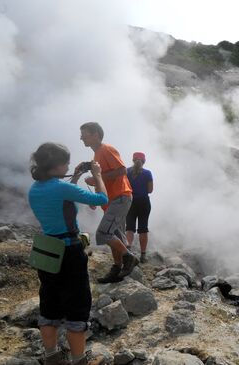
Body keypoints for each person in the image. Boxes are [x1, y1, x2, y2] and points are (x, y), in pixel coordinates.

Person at [28, 143, 109, 365]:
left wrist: (74, 177)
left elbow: (61, 198)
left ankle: (52, 355)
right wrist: (98, 175)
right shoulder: (60, 188)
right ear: (56, 165)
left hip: (46, 249)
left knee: (49, 302)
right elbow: (101, 199)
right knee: (77, 306)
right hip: (70, 251)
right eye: (66, 163)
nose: (68, 166)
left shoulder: (35, 188)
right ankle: (78, 359)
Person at [80, 122, 138, 283]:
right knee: (114, 235)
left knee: (103, 234)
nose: (81, 138)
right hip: (112, 200)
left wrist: (95, 178)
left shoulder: (106, 149)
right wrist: (96, 197)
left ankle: (129, 258)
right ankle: (117, 269)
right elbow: (102, 181)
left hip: (120, 197)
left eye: (84, 134)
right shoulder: (97, 154)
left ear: (96, 134)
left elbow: (121, 170)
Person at [125, 152, 153, 263]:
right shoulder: (147, 173)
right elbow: (150, 190)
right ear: (144, 161)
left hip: (130, 201)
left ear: (133, 160)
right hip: (144, 202)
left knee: (129, 228)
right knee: (143, 229)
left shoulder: (126, 172)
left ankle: (127, 252)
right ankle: (143, 255)